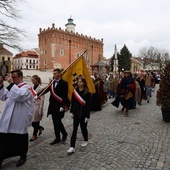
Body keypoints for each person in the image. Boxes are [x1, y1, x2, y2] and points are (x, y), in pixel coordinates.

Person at [0, 69, 33, 168]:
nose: (12, 79)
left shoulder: (26, 88)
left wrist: (10, 83)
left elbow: (20, 96)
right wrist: (1, 85)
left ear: (21, 77)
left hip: (19, 118)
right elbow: (3, 96)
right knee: (4, 138)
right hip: (8, 118)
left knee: (20, 138)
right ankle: (2, 156)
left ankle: (23, 156)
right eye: (12, 77)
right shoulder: (13, 87)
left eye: (14, 77)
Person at [36, 68, 68, 145]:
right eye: (53, 73)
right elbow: (46, 90)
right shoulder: (52, 82)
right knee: (55, 122)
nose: (54, 75)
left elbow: (64, 95)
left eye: (55, 73)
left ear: (59, 74)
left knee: (58, 122)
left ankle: (63, 134)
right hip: (52, 106)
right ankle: (58, 137)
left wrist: (63, 106)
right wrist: (37, 95)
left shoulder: (64, 83)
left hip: (59, 106)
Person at [67, 76, 91, 154]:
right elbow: (73, 103)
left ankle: (86, 140)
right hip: (76, 114)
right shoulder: (75, 92)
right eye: (79, 81)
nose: (79, 83)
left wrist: (87, 116)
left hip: (83, 115)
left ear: (84, 83)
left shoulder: (87, 92)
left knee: (83, 128)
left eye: (81, 81)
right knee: (74, 130)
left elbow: (88, 106)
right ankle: (72, 146)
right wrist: (71, 112)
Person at [30, 75, 45, 142]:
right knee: (31, 121)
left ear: (37, 80)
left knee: (36, 121)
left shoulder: (41, 88)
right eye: (32, 80)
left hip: (37, 106)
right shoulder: (32, 87)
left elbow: (42, 99)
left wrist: (41, 109)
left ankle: (34, 135)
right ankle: (39, 128)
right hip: (32, 105)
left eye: (34, 80)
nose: (32, 81)